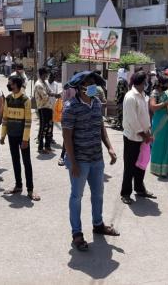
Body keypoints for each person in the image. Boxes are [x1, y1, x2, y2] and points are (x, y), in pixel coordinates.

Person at [62, 71, 119, 251]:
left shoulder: (95, 104)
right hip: (79, 160)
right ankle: (77, 233)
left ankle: (98, 224)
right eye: (90, 83)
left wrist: (109, 147)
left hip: (96, 159)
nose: (94, 86)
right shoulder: (70, 107)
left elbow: (101, 126)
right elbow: (67, 137)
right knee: (76, 197)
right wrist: (73, 163)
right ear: (80, 87)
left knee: (98, 194)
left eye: (95, 83)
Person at [0, 75, 40, 201]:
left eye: (10, 83)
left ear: (16, 84)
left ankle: (30, 190)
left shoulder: (25, 99)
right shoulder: (8, 98)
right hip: (11, 135)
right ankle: (18, 185)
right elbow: (5, 118)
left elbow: (28, 121)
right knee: (15, 161)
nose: (9, 85)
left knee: (26, 162)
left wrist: (25, 139)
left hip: (22, 137)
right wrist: (3, 135)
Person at [120, 71, 156, 205]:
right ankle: (125, 193)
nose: (147, 83)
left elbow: (145, 115)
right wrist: (144, 135)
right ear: (141, 82)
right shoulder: (130, 97)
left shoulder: (142, 95)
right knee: (129, 166)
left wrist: (148, 131)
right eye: (146, 81)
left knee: (141, 164)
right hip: (133, 137)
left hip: (143, 136)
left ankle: (140, 189)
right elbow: (132, 120)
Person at [149, 75, 168, 177]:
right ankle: (158, 169)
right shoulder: (155, 92)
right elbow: (153, 107)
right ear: (161, 83)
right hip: (160, 122)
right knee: (160, 144)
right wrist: (165, 103)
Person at [34, 67, 59, 153]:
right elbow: (45, 97)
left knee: (49, 127)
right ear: (42, 74)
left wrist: (55, 94)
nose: (47, 76)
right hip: (43, 108)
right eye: (46, 74)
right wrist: (53, 95)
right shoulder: (38, 84)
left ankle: (47, 146)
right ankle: (40, 148)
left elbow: (49, 91)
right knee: (43, 127)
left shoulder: (44, 83)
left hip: (49, 107)